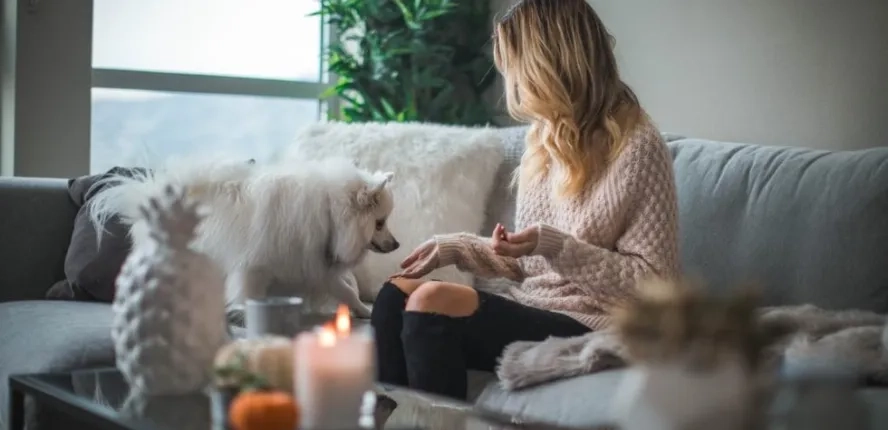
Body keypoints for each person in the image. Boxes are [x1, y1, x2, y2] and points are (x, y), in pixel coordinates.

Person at [370, 0, 680, 401]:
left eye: (516, 68)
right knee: (395, 295)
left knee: (431, 301)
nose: (513, 82)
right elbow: (530, 262)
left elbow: (654, 287)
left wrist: (555, 245)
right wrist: (457, 247)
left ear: (549, 64)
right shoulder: (544, 138)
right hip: (534, 305)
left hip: (597, 322)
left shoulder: (637, 147)